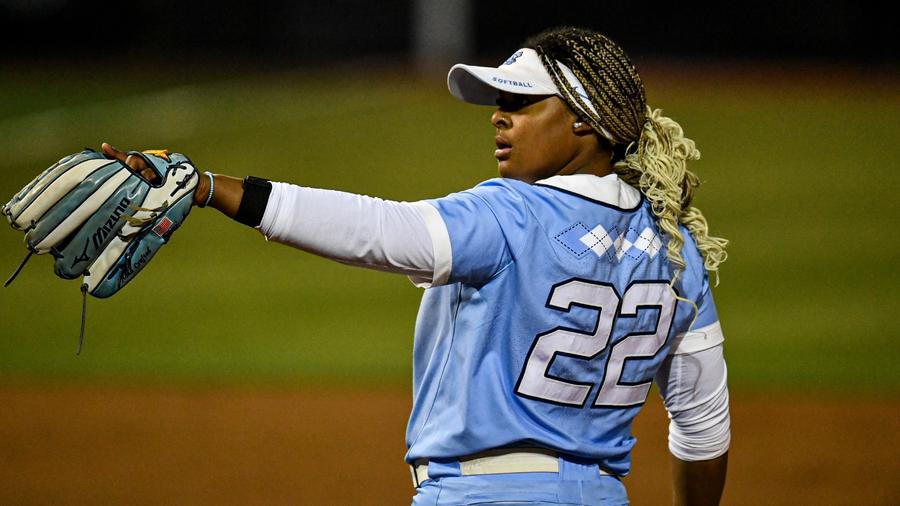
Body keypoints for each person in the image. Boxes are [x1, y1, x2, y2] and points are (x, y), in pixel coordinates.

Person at [105, 26, 730, 506]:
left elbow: (376, 230)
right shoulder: (678, 250)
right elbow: (703, 431)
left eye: (522, 100)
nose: (498, 114)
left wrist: (214, 188)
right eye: (499, 100)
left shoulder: (509, 214)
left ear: (584, 121)